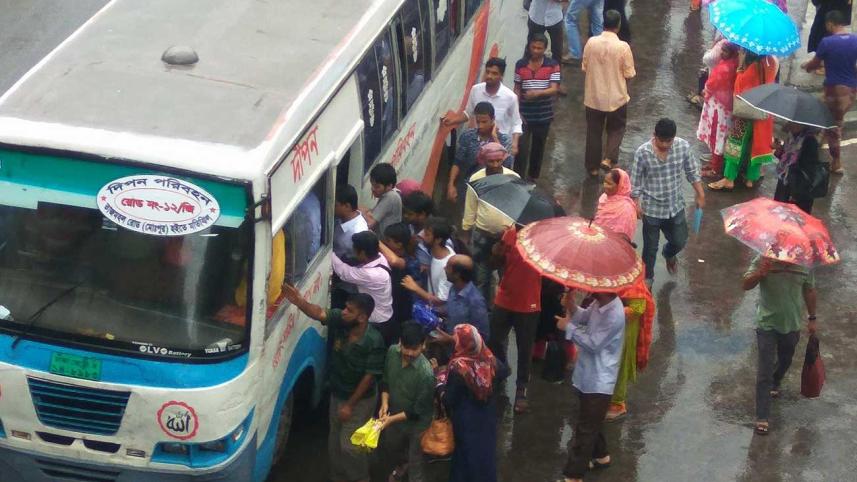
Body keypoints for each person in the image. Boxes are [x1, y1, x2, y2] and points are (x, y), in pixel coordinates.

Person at [281, 286, 385, 482]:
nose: (344, 312)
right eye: (345, 308)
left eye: (349, 310)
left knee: (350, 446)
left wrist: (350, 405)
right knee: (334, 443)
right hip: (338, 393)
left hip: (360, 400)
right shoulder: (342, 321)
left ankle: (360, 478)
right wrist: (299, 302)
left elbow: (369, 377)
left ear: (362, 318)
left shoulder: (373, 341)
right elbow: (319, 313)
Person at [742, 256, 817, 436]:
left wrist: (812, 317)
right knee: (764, 370)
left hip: (791, 325)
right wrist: (761, 272)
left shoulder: (804, 265)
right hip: (766, 324)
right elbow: (745, 284)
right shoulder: (763, 260)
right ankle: (762, 416)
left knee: (786, 359)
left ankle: (777, 380)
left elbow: (810, 290)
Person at [556, 289, 626, 482]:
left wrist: (568, 327)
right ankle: (601, 456)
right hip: (588, 374)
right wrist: (570, 305)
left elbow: (593, 344)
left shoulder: (615, 314)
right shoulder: (600, 303)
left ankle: (573, 475)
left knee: (585, 429)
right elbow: (584, 317)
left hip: (599, 380)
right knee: (591, 421)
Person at [630, 118, 705, 285]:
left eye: (668, 141)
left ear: (674, 138)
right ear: (654, 135)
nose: (664, 144)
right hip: (652, 210)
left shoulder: (682, 147)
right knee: (650, 249)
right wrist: (636, 203)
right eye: (661, 140)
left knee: (680, 241)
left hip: (675, 206)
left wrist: (700, 194)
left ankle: (669, 253)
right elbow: (635, 181)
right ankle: (647, 280)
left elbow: (692, 171)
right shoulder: (643, 153)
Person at [489, 224, 542, 413]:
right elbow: (495, 264)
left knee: (524, 348)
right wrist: (497, 252)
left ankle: (521, 389)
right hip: (505, 298)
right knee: (494, 339)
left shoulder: (541, 239)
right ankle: (501, 369)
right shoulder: (509, 233)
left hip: (529, 303)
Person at [443, 324, 505, 482]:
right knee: (485, 456)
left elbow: (449, 399)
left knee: (464, 458)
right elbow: (505, 371)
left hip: (466, 420)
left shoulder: (459, 369)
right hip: (486, 418)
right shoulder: (489, 359)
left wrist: (439, 388)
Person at [708, 50, 778, 191]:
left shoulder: (752, 68)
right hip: (764, 113)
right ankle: (750, 179)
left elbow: (739, 87)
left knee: (736, 143)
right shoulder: (772, 62)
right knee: (756, 144)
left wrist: (740, 68)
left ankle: (729, 179)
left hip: (747, 114)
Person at [461, 143, 519, 303]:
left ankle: (505, 307)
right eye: (491, 162)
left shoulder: (513, 179)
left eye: (498, 161)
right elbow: (470, 206)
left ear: (503, 160)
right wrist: (466, 231)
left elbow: (518, 206)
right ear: (484, 161)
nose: (495, 165)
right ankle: (484, 310)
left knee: (506, 276)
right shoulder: (476, 179)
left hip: (506, 237)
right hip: (482, 235)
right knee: (482, 277)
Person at [378, 322, 436, 482]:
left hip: (417, 425)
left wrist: (390, 419)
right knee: (391, 447)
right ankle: (402, 465)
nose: (409, 353)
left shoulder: (426, 374)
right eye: (406, 348)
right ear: (400, 343)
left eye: (414, 349)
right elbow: (385, 381)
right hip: (394, 417)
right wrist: (384, 403)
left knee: (416, 463)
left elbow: (417, 412)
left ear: (423, 346)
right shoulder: (391, 353)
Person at [803, 10, 857, 174]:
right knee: (826, 117)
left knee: (833, 126)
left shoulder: (827, 42)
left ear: (830, 24)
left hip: (834, 91)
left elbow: (814, 64)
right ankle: (819, 138)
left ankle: (837, 162)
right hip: (850, 92)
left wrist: (806, 66)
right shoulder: (855, 40)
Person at [582, 10, 636, 176]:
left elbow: (585, 67)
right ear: (618, 26)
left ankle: (592, 168)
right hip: (616, 97)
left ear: (603, 23)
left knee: (594, 131)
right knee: (616, 128)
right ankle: (609, 159)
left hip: (593, 97)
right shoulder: (623, 47)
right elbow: (629, 74)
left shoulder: (591, 43)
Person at [442, 57, 523, 156]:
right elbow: (468, 113)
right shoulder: (476, 90)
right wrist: (452, 121)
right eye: (487, 72)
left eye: (494, 73)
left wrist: (514, 144)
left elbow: (516, 123)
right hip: (479, 144)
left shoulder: (510, 97)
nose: (489, 76)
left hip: (501, 145)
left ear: (501, 76)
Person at [332, 231, 396, 345]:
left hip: (376, 323)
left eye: (354, 250)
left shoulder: (370, 274)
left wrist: (329, 251)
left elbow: (343, 272)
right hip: (386, 317)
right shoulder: (380, 258)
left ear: (362, 253)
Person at [606, 276, 655, 421]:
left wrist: (613, 311)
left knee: (619, 364)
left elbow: (638, 308)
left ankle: (617, 403)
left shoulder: (632, 277)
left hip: (625, 329)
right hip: (609, 327)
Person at [515, 33, 561, 180]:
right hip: (524, 115)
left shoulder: (552, 65)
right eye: (533, 47)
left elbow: (554, 89)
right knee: (521, 150)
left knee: (538, 149)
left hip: (543, 115)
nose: (536, 51)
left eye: (539, 48)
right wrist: (516, 111)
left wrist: (536, 94)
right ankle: (518, 177)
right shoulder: (520, 65)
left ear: (544, 49)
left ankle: (533, 177)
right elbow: (517, 88)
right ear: (529, 47)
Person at [446, 102, 512, 204]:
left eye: (484, 122)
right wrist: (451, 184)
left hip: (494, 190)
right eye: (478, 122)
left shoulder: (504, 140)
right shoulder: (468, 136)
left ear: (493, 119)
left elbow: (506, 164)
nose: (480, 126)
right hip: (469, 188)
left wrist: (495, 138)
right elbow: (458, 162)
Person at [697, 42, 739, 179]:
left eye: (725, 51)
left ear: (731, 53)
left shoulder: (725, 68)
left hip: (719, 108)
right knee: (720, 135)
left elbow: (711, 84)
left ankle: (715, 169)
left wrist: (705, 91)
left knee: (717, 135)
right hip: (725, 106)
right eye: (722, 50)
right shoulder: (735, 64)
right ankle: (715, 163)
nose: (722, 53)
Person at [401, 217, 455, 307]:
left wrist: (415, 287)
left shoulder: (447, 266)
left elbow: (440, 300)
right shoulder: (437, 252)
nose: (422, 236)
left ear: (438, 240)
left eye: (427, 234)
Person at [773, 123, 823, 214]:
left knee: (794, 219)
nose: (792, 125)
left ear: (805, 124)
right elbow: (786, 160)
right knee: (779, 215)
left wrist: (795, 194)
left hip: (798, 188)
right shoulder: (791, 138)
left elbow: (809, 170)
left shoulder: (810, 141)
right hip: (785, 183)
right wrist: (779, 151)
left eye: (797, 124)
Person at [379, 223, 421, 326]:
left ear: (399, 244)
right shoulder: (384, 256)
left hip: (403, 308)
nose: (385, 243)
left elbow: (395, 261)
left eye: (389, 241)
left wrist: (377, 242)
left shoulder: (411, 262)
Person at [443, 255, 490, 339]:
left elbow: (481, 337)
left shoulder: (475, 301)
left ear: (457, 274)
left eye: (448, 267)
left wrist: (450, 340)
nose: (444, 268)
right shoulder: (453, 289)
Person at [593, 167, 637, 241]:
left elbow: (623, 237)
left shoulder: (626, 209)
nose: (605, 185)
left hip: (613, 246)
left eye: (609, 183)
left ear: (620, 185)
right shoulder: (604, 197)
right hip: (597, 240)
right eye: (605, 182)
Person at [333, 184, 369, 262]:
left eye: (335, 205)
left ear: (347, 206)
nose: (332, 207)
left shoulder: (358, 231)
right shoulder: (340, 218)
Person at [527, 0, 567, 71]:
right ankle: (528, 71)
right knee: (531, 47)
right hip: (537, 16)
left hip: (555, 17)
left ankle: (556, 73)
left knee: (557, 49)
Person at [365, 163, 402, 235]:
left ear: (389, 186)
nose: (372, 189)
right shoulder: (389, 194)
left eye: (377, 187)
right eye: (372, 185)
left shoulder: (391, 197)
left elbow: (369, 224)